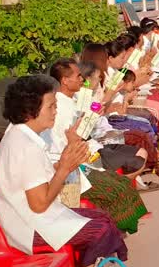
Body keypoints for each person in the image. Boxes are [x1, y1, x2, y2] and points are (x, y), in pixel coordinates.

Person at [0, 75, 128, 267]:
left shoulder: (20, 136)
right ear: (29, 112)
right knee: (101, 230)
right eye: (51, 106)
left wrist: (65, 161)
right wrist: (64, 169)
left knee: (102, 219)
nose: (55, 111)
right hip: (30, 228)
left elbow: (38, 178)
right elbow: (39, 204)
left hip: (29, 219)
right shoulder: (25, 146)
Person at [47, 59, 148, 233]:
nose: (82, 80)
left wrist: (96, 113)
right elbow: (70, 140)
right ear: (64, 80)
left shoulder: (72, 100)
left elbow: (85, 125)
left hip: (85, 149)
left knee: (124, 175)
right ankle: (114, 226)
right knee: (118, 186)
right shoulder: (59, 108)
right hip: (75, 160)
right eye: (78, 76)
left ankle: (116, 223)